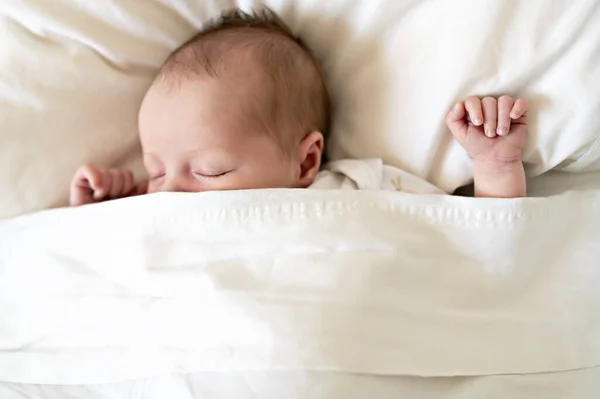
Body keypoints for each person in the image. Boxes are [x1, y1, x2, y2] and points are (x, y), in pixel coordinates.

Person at [69, 8, 528, 206]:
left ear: (307, 160)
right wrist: (106, 212)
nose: (166, 193)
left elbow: (477, 245)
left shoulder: (359, 189)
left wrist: (494, 165)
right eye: (154, 172)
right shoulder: (156, 206)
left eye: (209, 171)